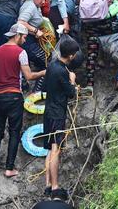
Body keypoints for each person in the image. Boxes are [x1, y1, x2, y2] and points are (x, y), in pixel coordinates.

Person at [0, 23, 46, 178]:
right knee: (14, 132)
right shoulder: (21, 52)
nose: (25, 40)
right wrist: (45, 71)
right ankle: (9, 169)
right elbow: (29, 76)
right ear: (17, 35)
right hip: (14, 96)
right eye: (24, 37)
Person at [43, 37, 79, 197]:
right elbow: (71, 93)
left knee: (50, 148)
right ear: (71, 56)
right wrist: (72, 81)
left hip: (48, 111)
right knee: (56, 149)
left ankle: (48, 184)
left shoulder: (51, 66)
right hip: (57, 114)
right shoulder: (62, 71)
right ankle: (56, 187)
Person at [17, 0, 51, 91]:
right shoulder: (30, 6)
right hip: (26, 41)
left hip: (30, 40)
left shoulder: (35, 6)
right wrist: (35, 30)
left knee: (43, 61)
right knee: (46, 62)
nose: (44, 2)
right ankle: (37, 91)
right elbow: (21, 22)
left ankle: (29, 86)